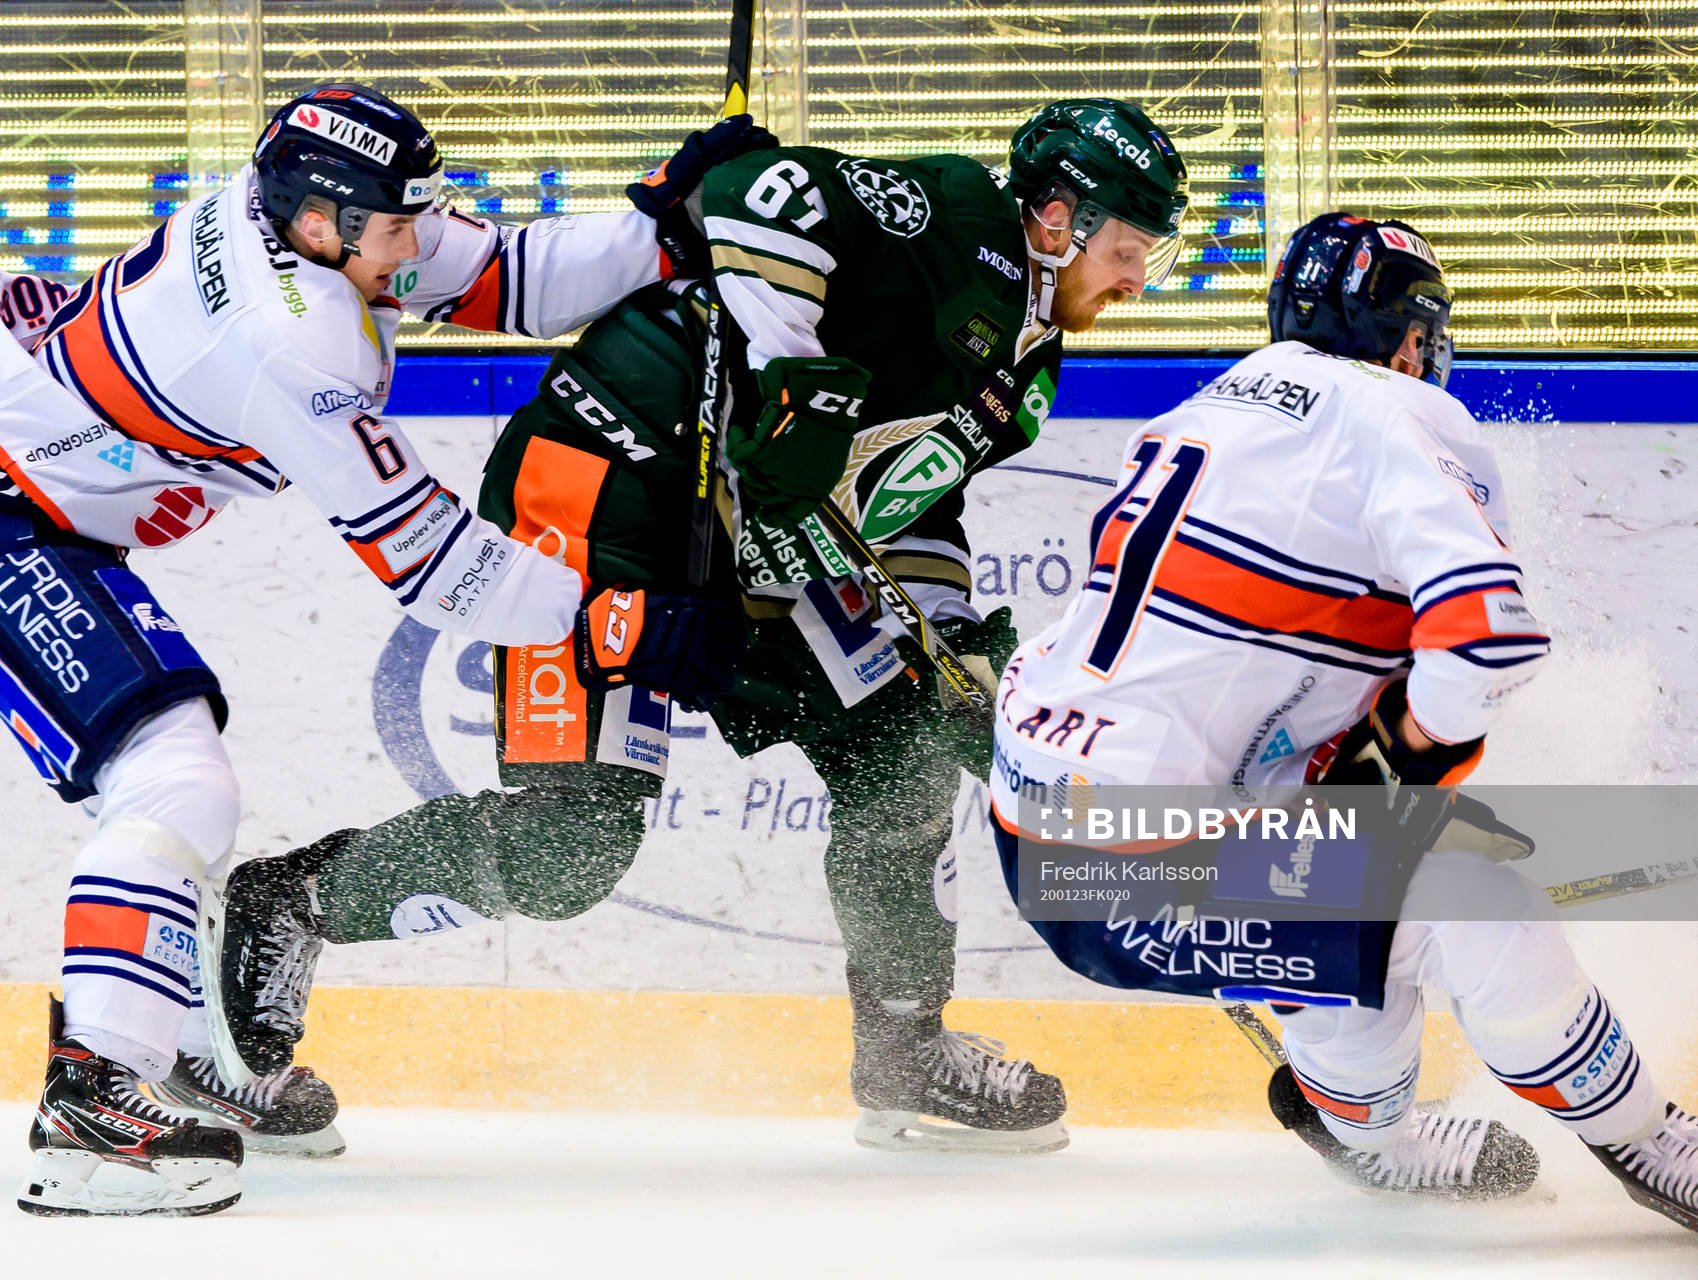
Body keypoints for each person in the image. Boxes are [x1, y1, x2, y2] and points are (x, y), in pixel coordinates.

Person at [205, 99, 1190, 1155]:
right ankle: (289, 902)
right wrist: (787, 375)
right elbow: (751, 197)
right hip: (605, 483)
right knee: (565, 851)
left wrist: (947, 639)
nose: (1138, 280)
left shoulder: (1029, 366)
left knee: (903, 746)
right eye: (1131, 249)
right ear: (1054, 217)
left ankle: (904, 1050)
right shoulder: (955, 216)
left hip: (753, 539)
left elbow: (913, 500)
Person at [3, 81, 767, 1216]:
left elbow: (504, 267)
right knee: (172, 776)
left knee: (176, 778)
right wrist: (618, 618)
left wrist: (666, 225)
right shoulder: (287, 340)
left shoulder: (331, 228)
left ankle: (165, 1047)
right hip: (17, 507)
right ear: (319, 226)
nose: (419, 246)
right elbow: (436, 563)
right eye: (398, 227)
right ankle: (92, 1101)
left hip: (52, 498)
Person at [986, 210, 1698, 1228]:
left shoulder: (1199, 411)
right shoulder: (1395, 415)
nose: (1428, 352)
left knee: (1343, 885)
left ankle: (1375, 1138)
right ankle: (1646, 1137)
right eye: (1424, 330)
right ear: (1402, 336)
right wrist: (1399, 759)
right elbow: (1484, 641)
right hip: (1151, 854)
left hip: (1043, 849)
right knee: (1466, 890)